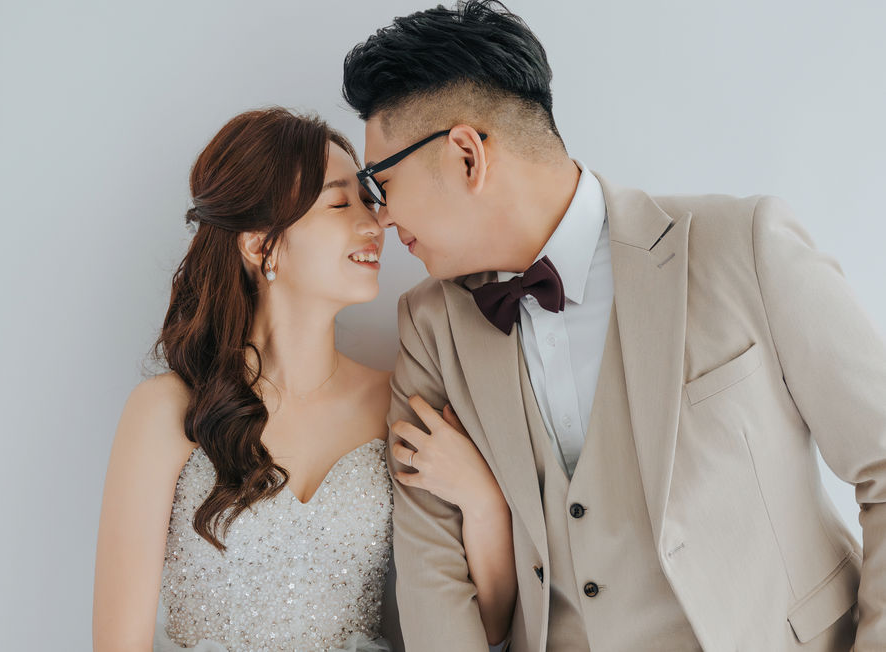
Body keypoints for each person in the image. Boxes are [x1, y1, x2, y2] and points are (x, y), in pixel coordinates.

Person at [342, 2, 886, 650]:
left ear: (466, 156)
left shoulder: (742, 245)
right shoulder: (431, 327)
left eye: (382, 181)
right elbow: (433, 574)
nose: (380, 216)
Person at [91, 106, 516, 651]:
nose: (375, 224)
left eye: (368, 200)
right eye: (338, 204)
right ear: (260, 245)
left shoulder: (397, 403)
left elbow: (488, 626)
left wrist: (483, 500)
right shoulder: (166, 411)